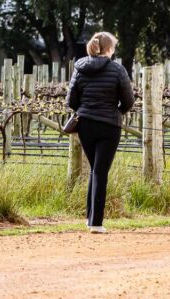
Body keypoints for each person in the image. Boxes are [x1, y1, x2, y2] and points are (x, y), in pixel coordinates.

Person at [67, 31, 135, 234]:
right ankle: (96, 222)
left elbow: (71, 101)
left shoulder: (79, 68)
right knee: (100, 171)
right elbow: (129, 100)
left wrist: (86, 110)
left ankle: (90, 218)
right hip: (109, 125)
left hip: (85, 124)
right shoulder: (118, 70)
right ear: (109, 49)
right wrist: (116, 112)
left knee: (95, 170)